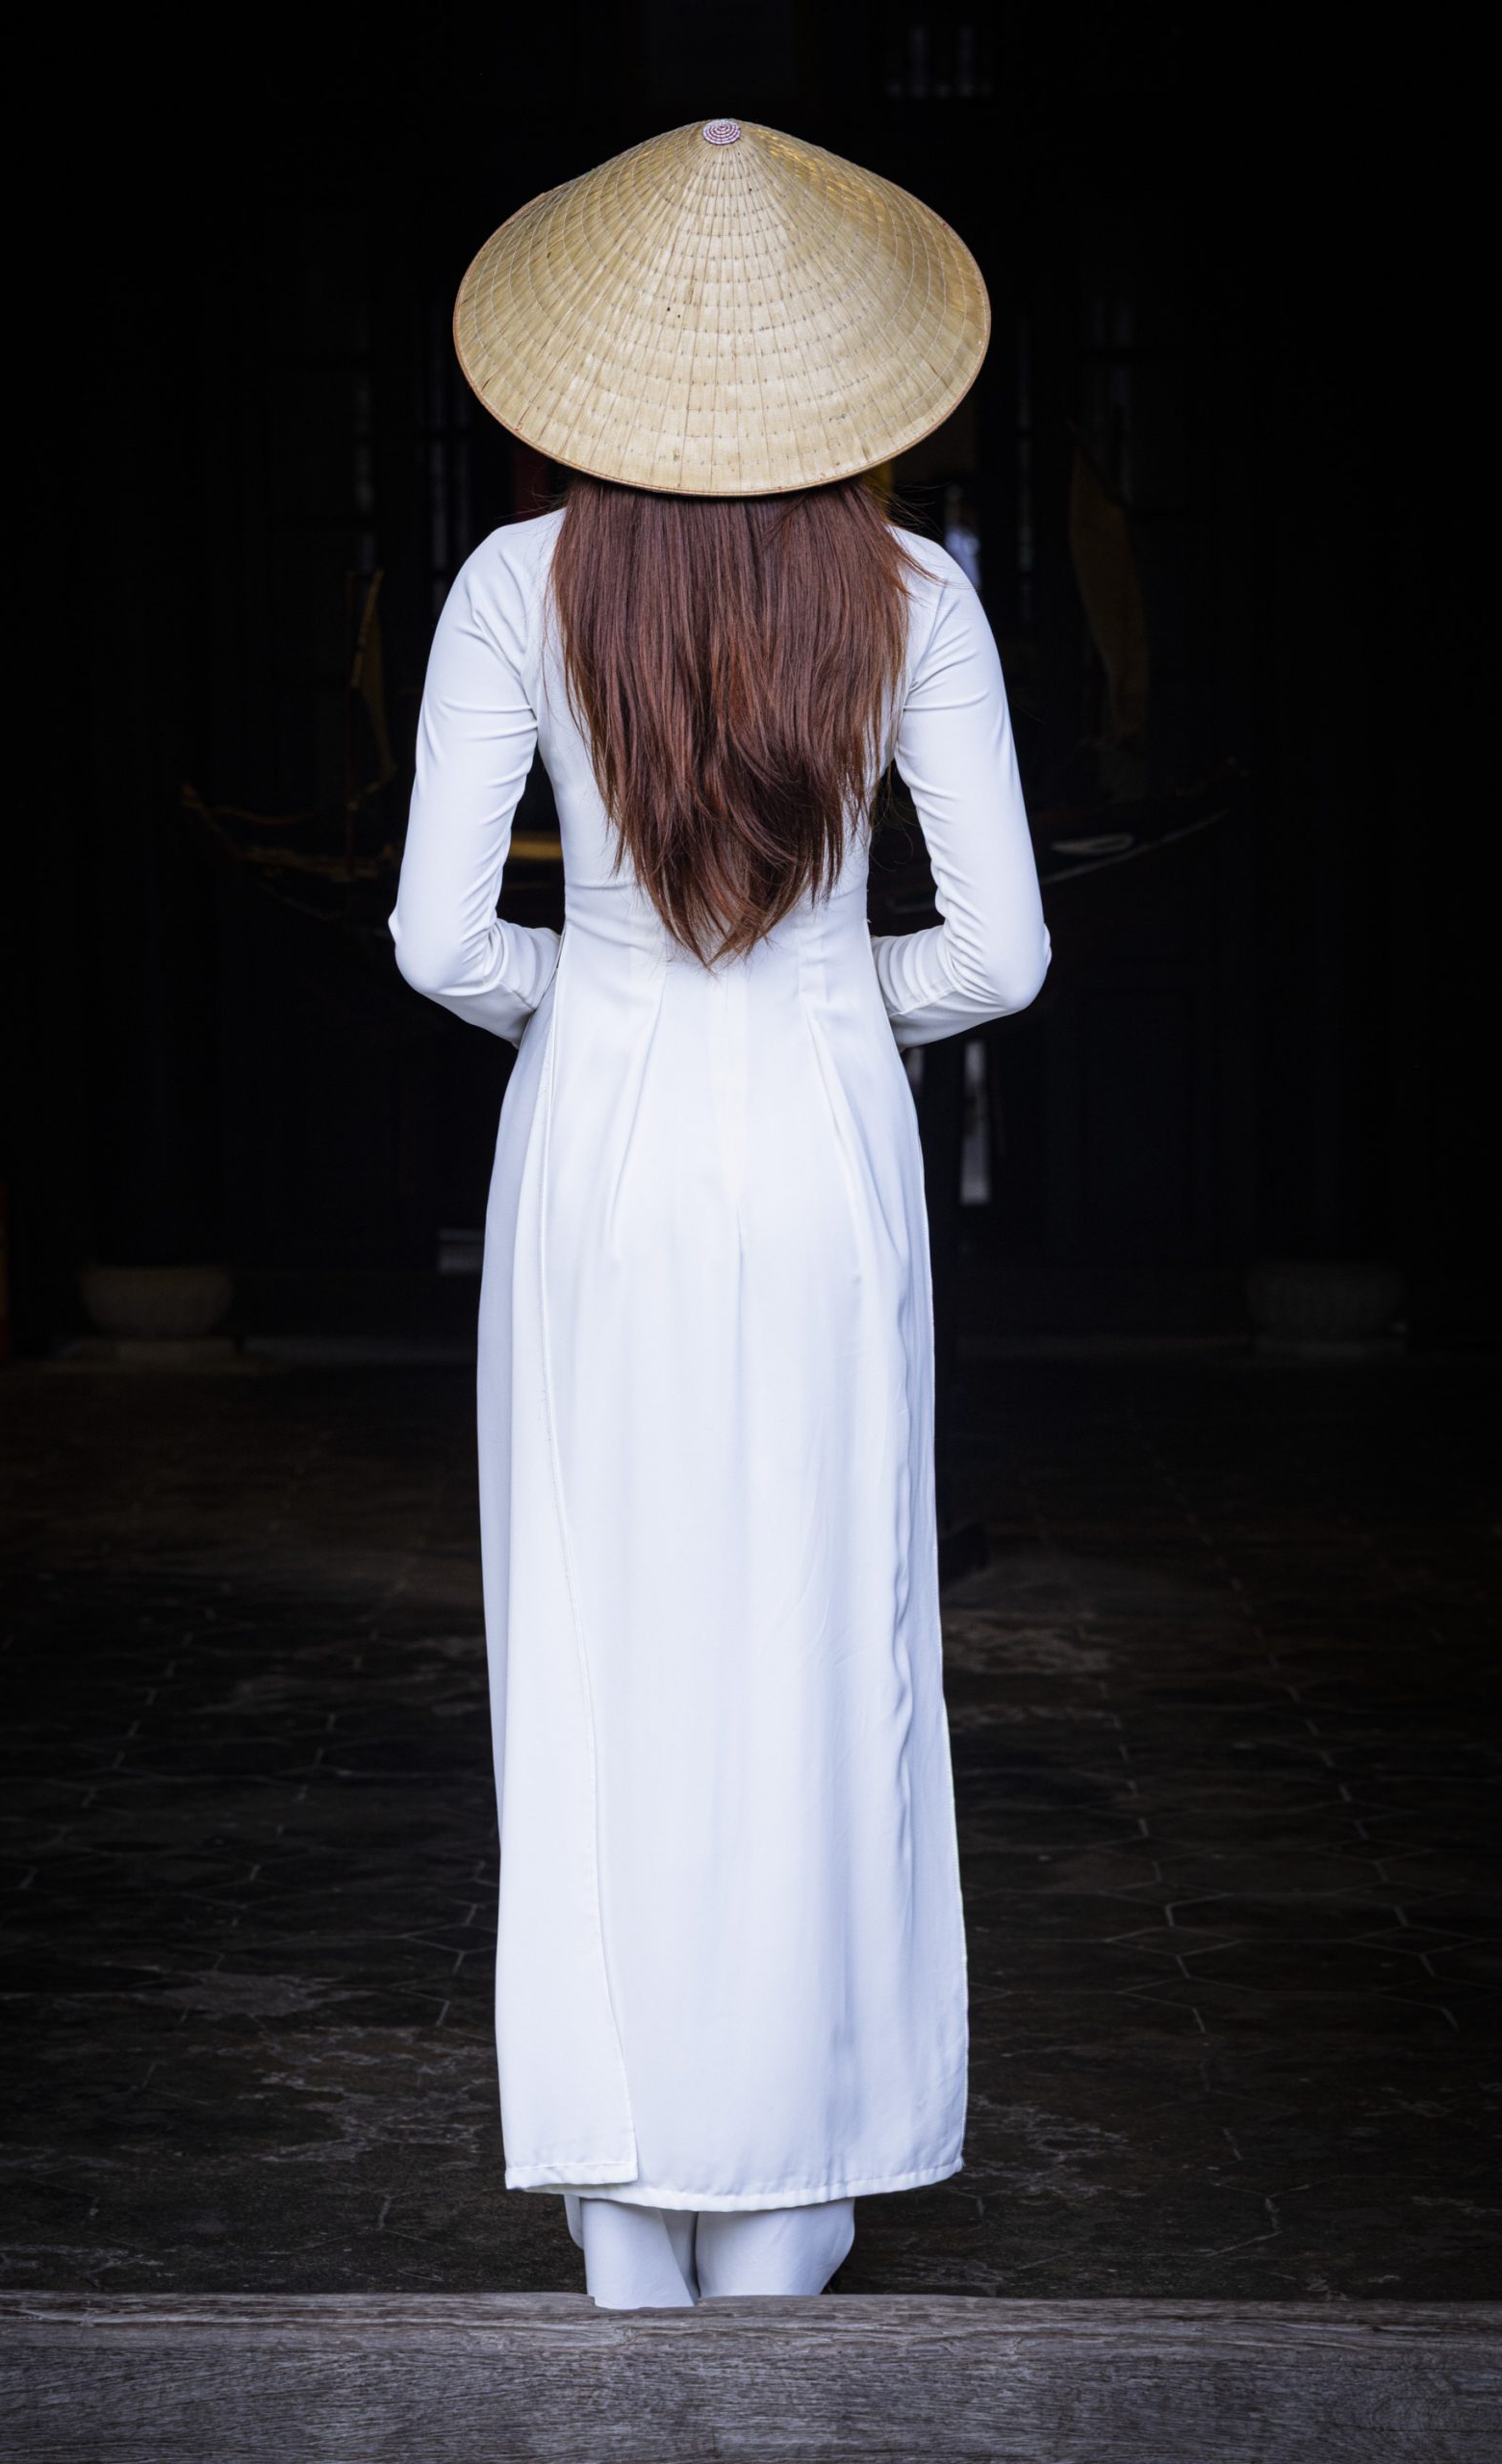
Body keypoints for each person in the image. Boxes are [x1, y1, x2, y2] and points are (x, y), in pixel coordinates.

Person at [390, 117, 1051, 2309]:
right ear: (837, 370)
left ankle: (620, 2203)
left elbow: (432, 939)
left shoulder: (515, 586)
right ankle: (790, 2205)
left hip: (595, 1151)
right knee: (818, 1644)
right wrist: (829, 1000)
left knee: (594, 1646)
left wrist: (591, 996)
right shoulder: (916, 594)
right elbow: (1001, 956)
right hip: (823, 1152)